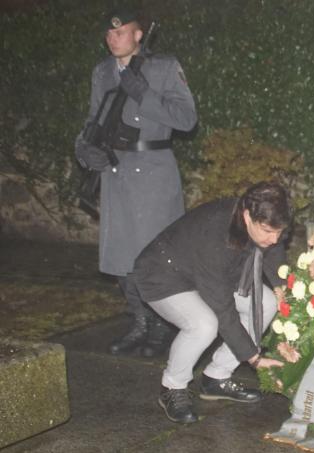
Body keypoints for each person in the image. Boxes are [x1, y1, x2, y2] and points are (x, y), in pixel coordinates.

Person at [73, 8, 197, 357]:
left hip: (153, 173)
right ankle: (140, 322)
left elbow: (187, 120)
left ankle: (162, 326)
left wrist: (144, 94)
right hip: (116, 173)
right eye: (109, 34)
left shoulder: (163, 67)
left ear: (139, 35)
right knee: (120, 256)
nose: (113, 39)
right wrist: (84, 150)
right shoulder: (102, 72)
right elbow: (93, 119)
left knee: (152, 256)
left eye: (121, 32)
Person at [131, 181, 289, 423]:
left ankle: (216, 378)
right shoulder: (216, 234)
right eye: (267, 231)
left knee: (267, 303)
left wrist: (279, 284)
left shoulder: (272, 218)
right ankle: (172, 387)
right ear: (247, 216)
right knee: (203, 324)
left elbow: (274, 249)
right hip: (164, 274)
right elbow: (223, 310)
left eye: (278, 231)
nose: (274, 238)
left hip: (216, 272)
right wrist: (254, 358)